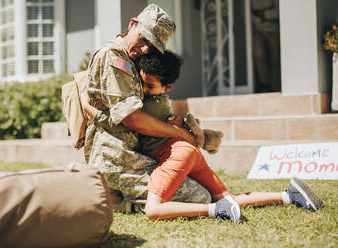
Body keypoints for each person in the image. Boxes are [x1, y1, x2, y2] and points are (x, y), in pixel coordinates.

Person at [85, 50, 325, 222]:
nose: (143, 90)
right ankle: (288, 194)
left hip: (174, 154)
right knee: (230, 197)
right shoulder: (161, 101)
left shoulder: (146, 106)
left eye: (149, 86)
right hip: (186, 152)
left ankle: (216, 212)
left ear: (167, 87)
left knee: (154, 209)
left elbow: (126, 121)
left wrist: (92, 111)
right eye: (141, 83)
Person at [83, 4, 212, 212]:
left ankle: (114, 194)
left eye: (152, 46)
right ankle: (118, 202)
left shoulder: (132, 60)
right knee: (199, 197)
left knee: (200, 186)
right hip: (116, 159)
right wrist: (178, 133)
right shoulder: (114, 58)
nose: (145, 49)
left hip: (136, 154)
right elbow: (133, 119)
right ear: (132, 24)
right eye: (144, 39)